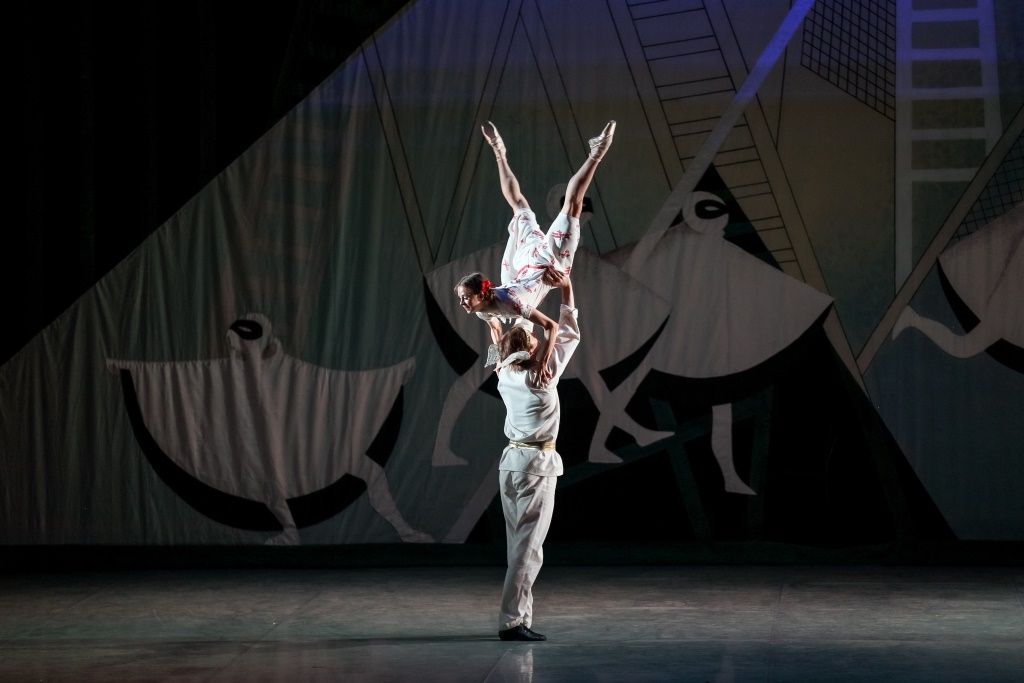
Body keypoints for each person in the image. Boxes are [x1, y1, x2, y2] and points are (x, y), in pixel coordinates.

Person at [455, 119, 613, 387]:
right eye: (462, 299)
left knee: (571, 208)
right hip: (523, 264)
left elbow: (551, 326)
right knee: (520, 206)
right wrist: (499, 361)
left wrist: (541, 363)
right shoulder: (483, 310)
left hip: (542, 267)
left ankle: (596, 153)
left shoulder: (512, 304)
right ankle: (499, 151)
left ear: (481, 294)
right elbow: (495, 328)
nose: (462, 303)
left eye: (465, 297)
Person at [493, 267, 579, 642]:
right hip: (535, 468)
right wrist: (566, 288)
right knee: (529, 550)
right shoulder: (542, 376)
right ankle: (511, 621)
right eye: (532, 339)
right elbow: (568, 333)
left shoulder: (502, 373)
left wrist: (499, 311)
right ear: (530, 349)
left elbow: (501, 342)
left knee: (520, 546)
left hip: (511, 466)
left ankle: (520, 618)